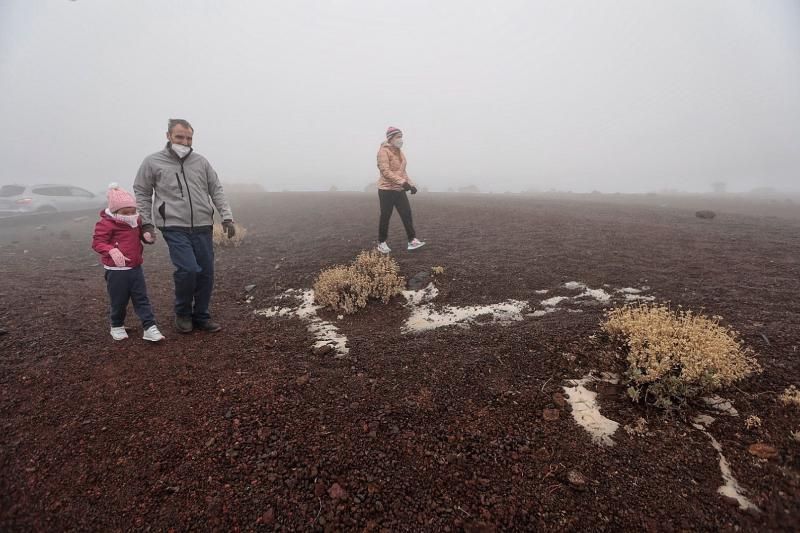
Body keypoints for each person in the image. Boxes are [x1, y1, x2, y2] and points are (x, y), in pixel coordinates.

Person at [133, 118, 235, 334]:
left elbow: (215, 189)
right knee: (188, 269)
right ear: (168, 136)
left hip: (203, 225)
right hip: (173, 225)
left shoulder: (201, 162)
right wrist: (146, 224)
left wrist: (226, 217)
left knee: (206, 273)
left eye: (189, 138)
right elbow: (142, 192)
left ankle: (201, 315)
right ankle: (182, 313)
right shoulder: (152, 162)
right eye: (180, 137)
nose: (185, 141)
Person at [92, 183, 165, 342]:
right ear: (115, 211)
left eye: (133, 211)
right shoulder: (105, 224)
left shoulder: (135, 220)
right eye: (126, 212)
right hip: (116, 271)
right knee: (119, 300)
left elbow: (140, 234)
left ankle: (149, 327)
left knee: (141, 298)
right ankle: (116, 325)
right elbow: (98, 243)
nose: (131, 215)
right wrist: (111, 250)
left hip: (135, 268)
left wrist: (147, 237)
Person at [376, 127, 425, 253]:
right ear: (391, 138)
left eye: (401, 137)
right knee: (386, 216)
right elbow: (385, 172)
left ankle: (412, 240)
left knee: (406, 214)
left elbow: (403, 172)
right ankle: (382, 242)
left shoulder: (399, 152)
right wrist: (403, 182)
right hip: (386, 190)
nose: (401, 140)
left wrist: (411, 184)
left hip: (399, 190)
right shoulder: (383, 151)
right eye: (398, 137)